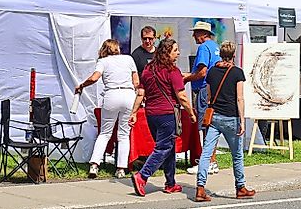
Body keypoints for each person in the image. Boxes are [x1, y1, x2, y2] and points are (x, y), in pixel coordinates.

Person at [194, 42, 255, 202]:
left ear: (220, 54)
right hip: (231, 117)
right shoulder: (237, 73)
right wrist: (242, 120)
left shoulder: (212, 71)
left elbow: (208, 95)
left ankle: (200, 188)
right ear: (234, 55)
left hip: (215, 117)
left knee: (206, 153)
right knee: (237, 155)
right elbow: (239, 98)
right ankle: (240, 187)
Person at [133, 37, 193, 197]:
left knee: (169, 147)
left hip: (151, 114)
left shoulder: (147, 69)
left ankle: (170, 183)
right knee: (163, 148)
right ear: (167, 53)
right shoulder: (172, 71)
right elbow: (182, 96)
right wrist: (191, 113)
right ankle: (142, 175)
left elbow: (141, 93)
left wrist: (133, 112)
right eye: (175, 50)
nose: (178, 53)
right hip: (167, 114)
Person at [76, 39, 143, 179]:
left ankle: (94, 165)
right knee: (123, 134)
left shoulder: (103, 61)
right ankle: (121, 168)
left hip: (111, 94)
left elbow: (94, 78)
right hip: (128, 95)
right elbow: (136, 82)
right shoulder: (128, 59)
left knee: (105, 133)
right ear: (117, 48)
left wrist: (82, 85)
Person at [184, 21, 220, 175]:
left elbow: (202, 72)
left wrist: (187, 77)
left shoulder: (204, 48)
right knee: (211, 124)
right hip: (214, 89)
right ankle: (212, 160)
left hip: (204, 89)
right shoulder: (214, 46)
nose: (194, 36)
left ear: (203, 34)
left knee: (205, 125)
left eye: (196, 33)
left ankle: (208, 162)